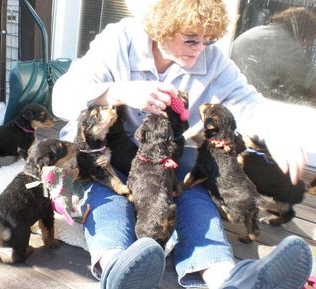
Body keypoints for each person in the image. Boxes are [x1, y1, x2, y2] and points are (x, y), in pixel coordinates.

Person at [52, 0, 313, 288]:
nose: (201, 48)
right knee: (109, 198)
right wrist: (119, 91)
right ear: (161, 28)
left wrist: (277, 134)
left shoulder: (210, 59)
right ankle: (116, 266)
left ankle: (226, 277)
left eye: (209, 40)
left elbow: (248, 102)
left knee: (191, 195)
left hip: (164, 156)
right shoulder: (119, 41)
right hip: (105, 155)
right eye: (191, 39)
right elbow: (61, 98)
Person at [231, 6, 316, 107]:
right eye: (308, 38)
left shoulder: (263, 32)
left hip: (235, 93)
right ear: (302, 31)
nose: (305, 43)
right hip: (250, 102)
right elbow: (310, 82)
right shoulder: (283, 42)